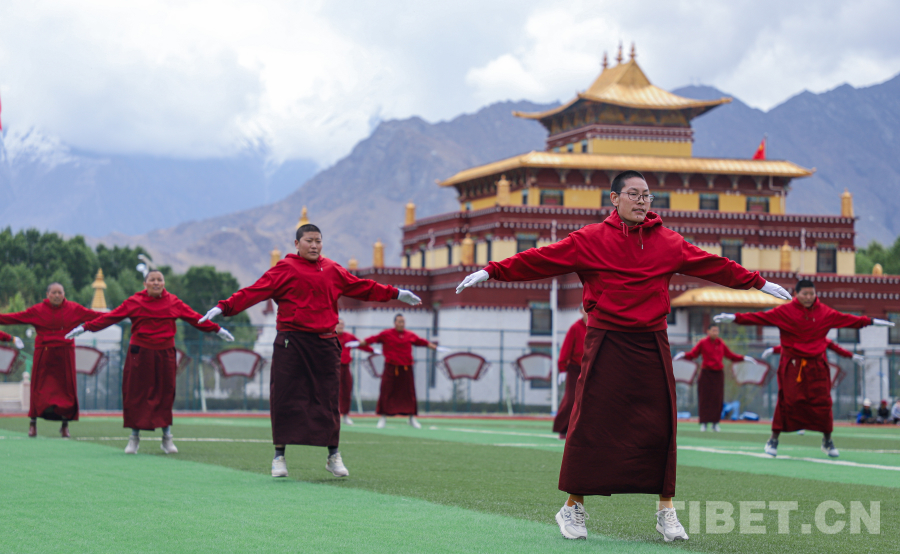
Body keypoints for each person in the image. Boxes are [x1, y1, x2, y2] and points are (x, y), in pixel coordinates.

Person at [455, 170, 791, 543]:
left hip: (652, 340)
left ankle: (666, 511)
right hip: (607, 339)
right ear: (614, 199)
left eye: (646, 195)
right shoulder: (590, 240)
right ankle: (573, 507)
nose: (642, 201)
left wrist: (757, 282)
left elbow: (714, 264)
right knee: (591, 422)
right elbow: (540, 259)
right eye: (633, 194)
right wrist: (492, 270)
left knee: (662, 423)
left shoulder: (669, 242)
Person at [197, 224, 421, 479]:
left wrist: (396, 293)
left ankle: (333, 455)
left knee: (327, 399)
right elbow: (254, 292)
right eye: (309, 241)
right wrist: (223, 308)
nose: (314, 245)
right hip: (291, 343)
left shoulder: (332, 269)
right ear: (296, 244)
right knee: (284, 397)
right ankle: (279, 457)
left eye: (318, 241)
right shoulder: (285, 269)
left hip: (325, 344)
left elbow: (363, 287)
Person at [714, 279, 893, 458]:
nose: (809, 297)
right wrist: (735, 318)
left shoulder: (825, 313)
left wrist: (870, 321)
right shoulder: (785, 311)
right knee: (787, 402)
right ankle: (774, 439)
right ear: (796, 294)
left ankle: (827, 440)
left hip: (817, 367)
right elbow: (760, 317)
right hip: (792, 366)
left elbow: (847, 320)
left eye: (812, 293)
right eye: (805, 294)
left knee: (823, 403)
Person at [67, 270, 233, 454]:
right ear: (145, 283)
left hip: (165, 354)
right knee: (136, 394)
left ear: (164, 283)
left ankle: (166, 438)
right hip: (140, 353)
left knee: (165, 393)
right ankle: (134, 438)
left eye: (159, 280)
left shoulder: (173, 302)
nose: (156, 283)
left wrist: (216, 329)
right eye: (152, 280)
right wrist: (85, 328)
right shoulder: (134, 302)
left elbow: (195, 318)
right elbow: (110, 318)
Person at [0, 283, 102, 438]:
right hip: (44, 354)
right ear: (47, 295)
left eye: (59, 292)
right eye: (53, 293)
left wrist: (119, 315)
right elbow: (15, 317)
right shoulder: (38, 310)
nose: (57, 296)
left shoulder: (74, 308)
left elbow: (98, 317)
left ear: (64, 294)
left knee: (66, 390)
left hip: (65, 354)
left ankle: (65, 426)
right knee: (39, 389)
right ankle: (33, 424)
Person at [673, 325, 757, 432]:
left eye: (717, 331)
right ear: (708, 331)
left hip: (718, 374)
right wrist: (683, 355)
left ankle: (715, 423)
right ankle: (704, 423)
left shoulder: (721, 343)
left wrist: (744, 358)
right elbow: (693, 354)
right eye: (713, 330)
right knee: (704, 399)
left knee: (717, 399)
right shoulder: (703, 343)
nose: (716, 333)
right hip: (706, 373)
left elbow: (730, 355)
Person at [359, 314, 436, 429]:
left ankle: (411, 418)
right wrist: (363, 342)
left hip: (406, 368)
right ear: (394, 322)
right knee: (386, 391)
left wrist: (431, 345)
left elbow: (420, 341)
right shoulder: (386, 334)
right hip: (391, 368)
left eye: (403, 322)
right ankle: (383, 418)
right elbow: (374, 339)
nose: (401, 324)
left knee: (409, 393)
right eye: (399, 322)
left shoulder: (409, 335)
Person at [553, 308, 587, 440]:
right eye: (585, 309)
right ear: (580, 311)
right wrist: (562, 368)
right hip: (575, 369)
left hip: (590, 369)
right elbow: (566, 348)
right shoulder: (575, 328)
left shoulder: (595, 328)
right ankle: (562, 429)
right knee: (571, 400)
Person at [335, 318, 372, 425]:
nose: (341, 326)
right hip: (333, 368)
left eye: (342, 324)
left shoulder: (348, 337)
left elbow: (361, 344)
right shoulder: (331, 336)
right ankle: (333, 415)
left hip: (346, 367)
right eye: (339, 324)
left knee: (347, 390)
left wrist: (373, 350)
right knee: (333, 392)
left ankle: (345, 414)